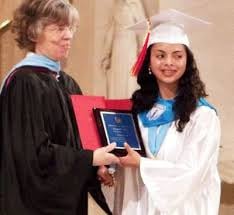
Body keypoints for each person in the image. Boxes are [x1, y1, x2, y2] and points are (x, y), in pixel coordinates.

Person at [0, 0, 119, 214]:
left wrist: (99, 167)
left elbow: (82, 142)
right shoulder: (24, 82)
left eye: (70, 28)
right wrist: (90, 159)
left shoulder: (67, 83)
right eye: (58, 29)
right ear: (34, 32)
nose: (68, 36)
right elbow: (31, 156)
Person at [106, 9, 221, 214]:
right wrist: (111, 167)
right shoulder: (137, 110)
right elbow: (125, 156)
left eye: (177, 56)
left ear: (188, 61)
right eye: (160, 55)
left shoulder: (203, 116)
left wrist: (142, 164)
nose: (168, 62)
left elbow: (191, 172)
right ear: (149, 61)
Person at [101, 0, 146, 99]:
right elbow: (110, 31)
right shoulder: (116, 6)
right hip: (117, 48)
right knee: (116, 82)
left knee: (129, 81)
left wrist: (141, 54)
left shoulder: (135, 4)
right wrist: (106, 55)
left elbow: (142, 31)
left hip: (130, 47)